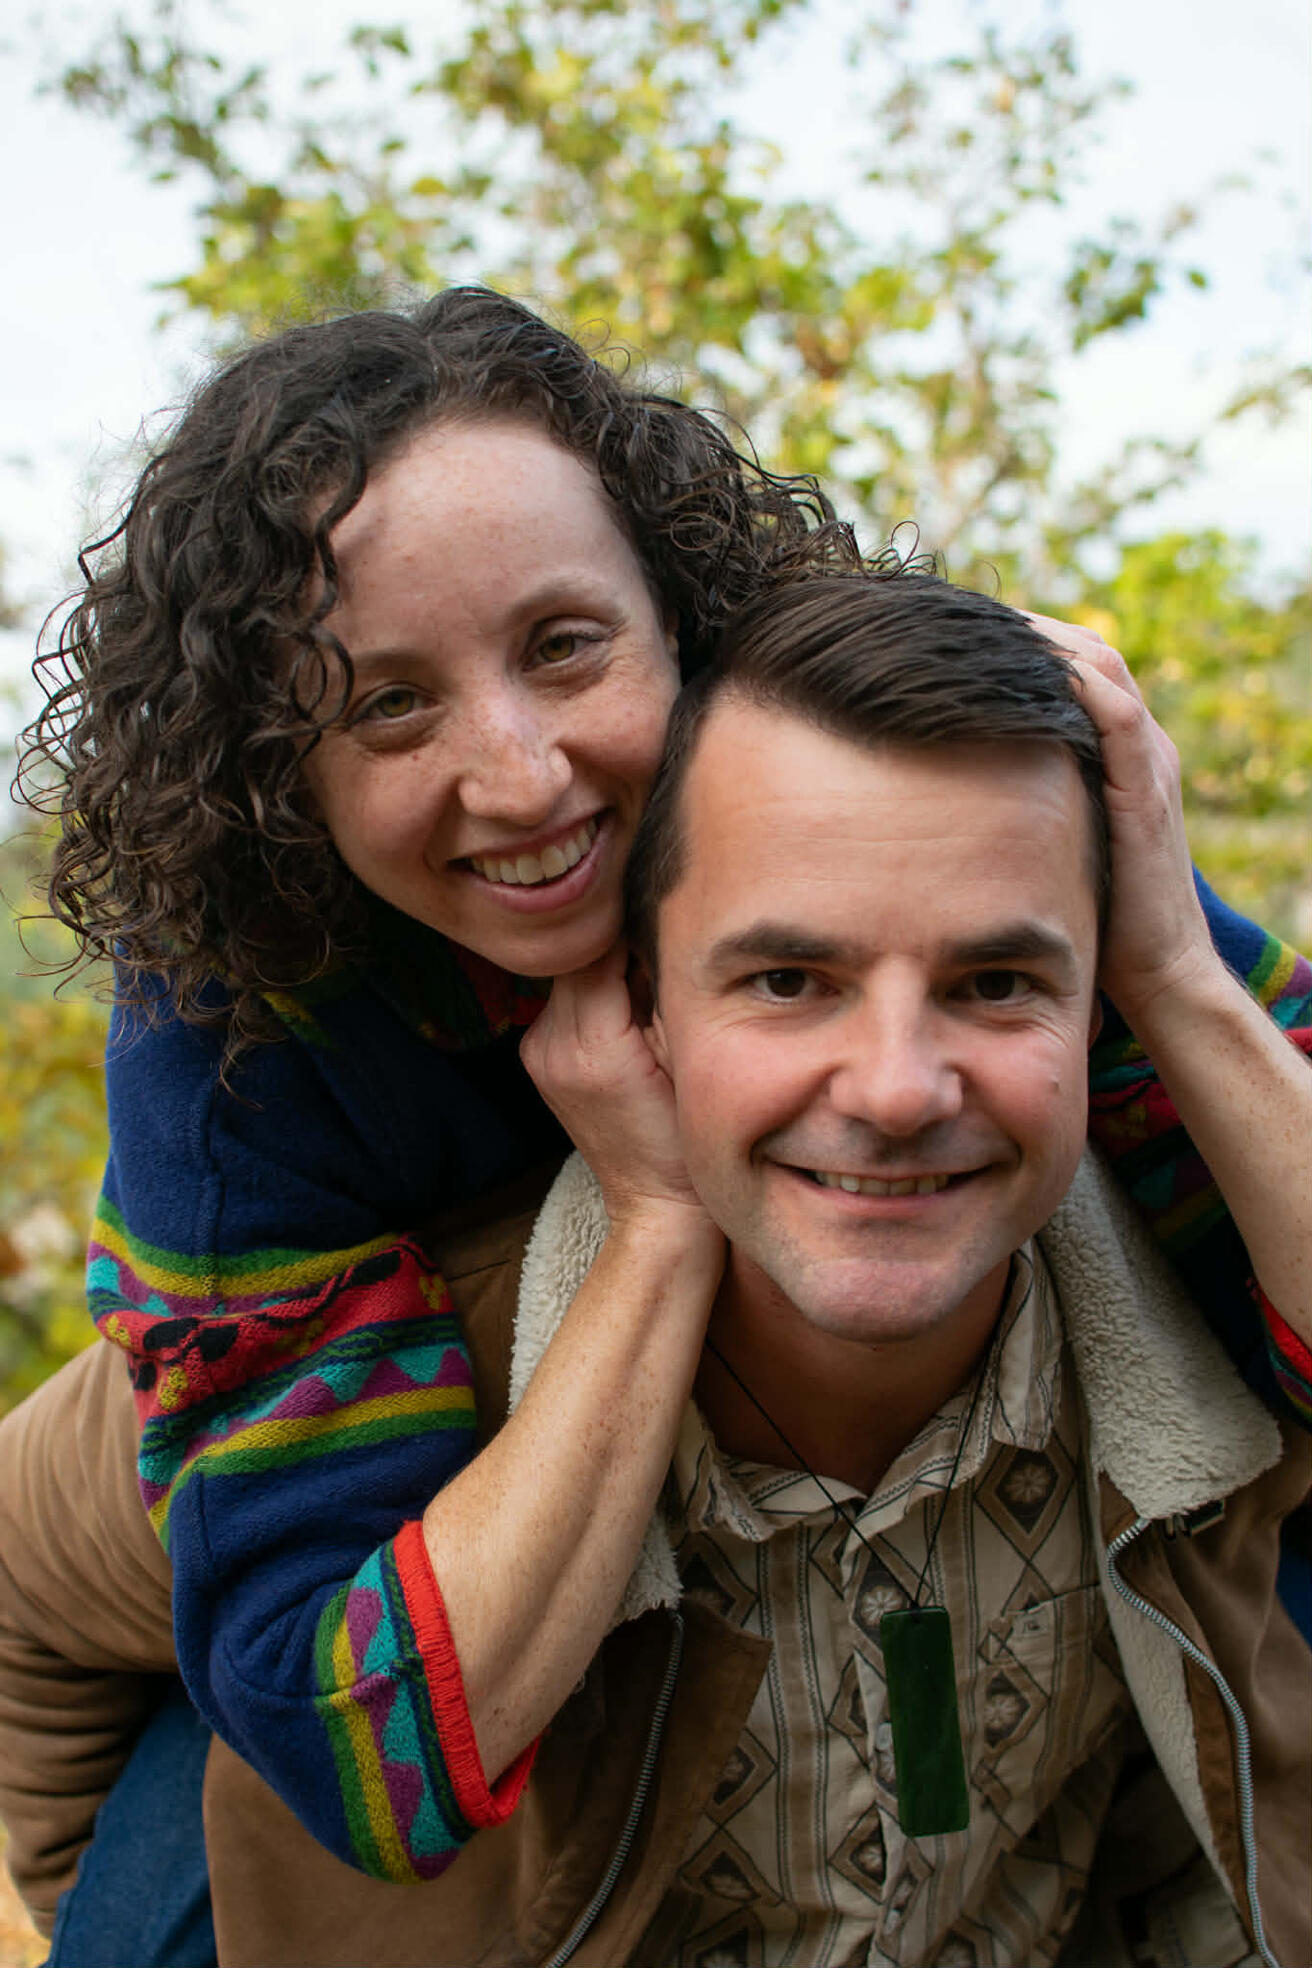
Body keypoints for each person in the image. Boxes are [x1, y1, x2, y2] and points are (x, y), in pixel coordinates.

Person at [6, 289, 1308, 1950]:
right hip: (156, 1598)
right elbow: (360, 1749)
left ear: (686, 624)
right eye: (389, 705)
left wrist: (1173, 968)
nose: (525, 776)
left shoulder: (892, 817)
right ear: (279, 773)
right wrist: (659, 1204)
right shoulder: (237, 1041)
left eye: (565, 646)